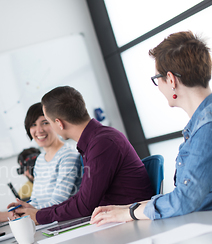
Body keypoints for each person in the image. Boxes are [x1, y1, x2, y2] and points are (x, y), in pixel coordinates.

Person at [91, 31, 212, 225]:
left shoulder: (206, 128)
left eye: (157, 79)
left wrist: (128, 214)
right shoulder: (202, 123)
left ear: (171, 80)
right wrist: (130, 207)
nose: (158, 86)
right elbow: (191, 194)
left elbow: (185, 201)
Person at [15, 87, 155, 224]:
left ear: (59, 123)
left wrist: (39, 216)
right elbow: (83, 198)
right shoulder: (94, 141)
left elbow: (84, 205)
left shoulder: (102, 143)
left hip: (132, 223)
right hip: (115, 219)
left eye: (48, 121)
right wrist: (38, 212)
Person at [0, 102, 82, 226]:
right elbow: (36, 200)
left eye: (45, 122)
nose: (39, 130)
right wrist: (15, 211)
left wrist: (9, 216)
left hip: (65, 223)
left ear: (56, 123)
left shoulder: (67, 155)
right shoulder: (40, 160)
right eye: (33, 125)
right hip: (46, 223)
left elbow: (58, 202)